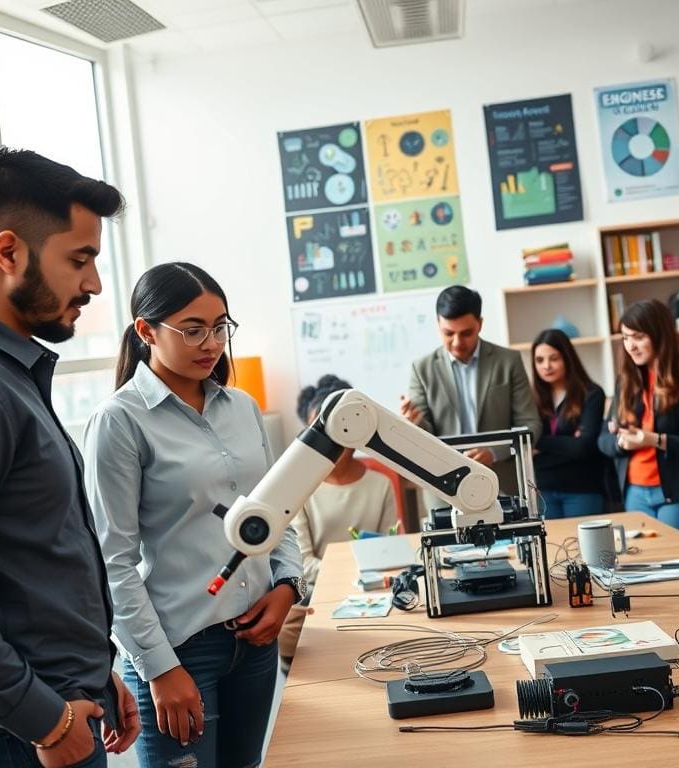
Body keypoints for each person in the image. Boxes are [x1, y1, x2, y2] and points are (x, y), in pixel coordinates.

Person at [0, 148, 139, 767]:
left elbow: (26, 561)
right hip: (1, 740)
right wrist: (43, 717)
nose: (95, 285)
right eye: (80, 260)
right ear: (9, 252)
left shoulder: (5, 375)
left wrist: (91, 674)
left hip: (44, 715)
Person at [83, 263, 304, 768]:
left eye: (220, 326)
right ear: (146, 331)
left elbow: (275, 512)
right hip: (179, 649)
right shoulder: (119, 421)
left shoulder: (243, 407)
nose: (211, 343)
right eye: (193, 329)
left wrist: (288, 586)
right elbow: (110, 562)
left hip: (254, 641)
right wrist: (161, 670)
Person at [279, 374, 398, 663]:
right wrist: (355, 575)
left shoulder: (379, 484)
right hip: (319, 598)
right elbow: (303, 565)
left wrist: (368, 578)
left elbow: (389, 553)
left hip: (374, 595)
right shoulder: (299, 488)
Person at [598, 299, 679, 539]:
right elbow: (603, 438)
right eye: (625, 338)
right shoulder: (626, 380)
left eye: (638, 337)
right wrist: (621, 443)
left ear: (660, 335)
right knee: (647, 571)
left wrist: (655, 440)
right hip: (635, 493)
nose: (630, 346)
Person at [400, 285, 541, 495]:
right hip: (444, 487)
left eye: (466, 333)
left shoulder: (508, 362)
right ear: (438, 325)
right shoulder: (421, 370)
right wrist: (414, 423)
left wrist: (493, 453)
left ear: (480, 324)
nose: (457, 343)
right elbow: (424, 440)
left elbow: (530, 425)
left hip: (503, 483)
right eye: (448, 333)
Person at [530, 329, 608, 518]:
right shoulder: (531, 398)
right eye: (539, 360)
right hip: (543, 490)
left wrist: (540, 443)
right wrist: (568, 443)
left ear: (567, 358)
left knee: (585, 547)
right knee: (551, 546)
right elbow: (523, 445)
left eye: (554, 358)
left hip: (583, 489)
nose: (546, 366)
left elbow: (584, 447)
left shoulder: (592, 393)